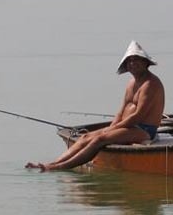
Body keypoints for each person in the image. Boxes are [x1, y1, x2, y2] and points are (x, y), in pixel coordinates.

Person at [26, 41, 165, 171]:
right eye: (130, 60)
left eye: (136, 59)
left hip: (144, 130)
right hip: (127, 127)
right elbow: (121, 112)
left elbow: (138, 116)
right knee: (85, 137)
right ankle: (52, 163)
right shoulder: (131, 83)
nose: (133, 63)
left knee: (100, 139)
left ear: (145, 62)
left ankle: (58, 167)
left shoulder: (150, 84)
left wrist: (112, 129)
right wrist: (111, 127)